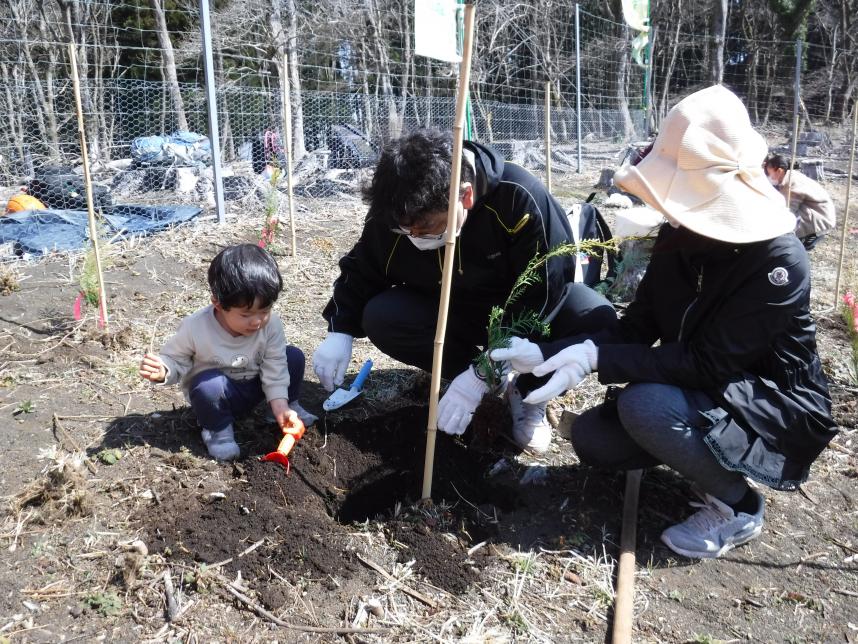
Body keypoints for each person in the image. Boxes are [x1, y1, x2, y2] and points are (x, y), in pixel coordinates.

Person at [491, 86, 837, 558]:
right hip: (700, 383)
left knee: (645, 406)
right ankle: (695, 452)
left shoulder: (778, 261)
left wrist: (596, 358)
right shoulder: (680, 240)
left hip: (767, 397)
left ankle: (738, 506)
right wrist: (548, 355)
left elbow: (709, 364)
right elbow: (636, 327)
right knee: (595, 441)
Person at [312, 127, 615, 452]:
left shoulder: (517, 198)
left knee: (594, 318)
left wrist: (487, 369)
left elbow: (546, 286)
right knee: (382, 316)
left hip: (520, 315)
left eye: (426, 227)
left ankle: (525, 391)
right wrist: (340, 330)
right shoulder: (399, 211)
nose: (413, 236)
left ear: (465, 196)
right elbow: (363, 266)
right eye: (404, 229)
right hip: (453, 314)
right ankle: (470, 379)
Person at [139, 244, 317, 461]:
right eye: (246, 314)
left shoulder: (271, 326)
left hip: (256, 386)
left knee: (293, 357)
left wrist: (280, 404)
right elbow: (176, 358)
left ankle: (284, 409)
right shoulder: (196, 327)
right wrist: (163, 369)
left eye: (265, 311)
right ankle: (218, 430)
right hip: (220, 396)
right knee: (207, 384)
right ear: (218, 303)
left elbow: (275, 365)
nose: (257, 321)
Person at [764, 152, 836, 250]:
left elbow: (787, 211)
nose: (768, 176)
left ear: (779, 171)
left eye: (769, 173)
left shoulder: (791, 184)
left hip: (820, 217)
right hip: (815, 210)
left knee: (784, 229)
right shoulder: (788, 176)